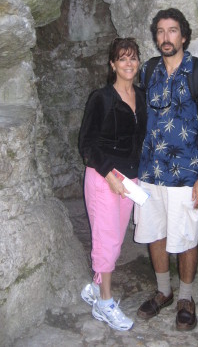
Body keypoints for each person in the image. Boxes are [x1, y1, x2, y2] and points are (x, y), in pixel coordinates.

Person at [134, 8, 198, 331]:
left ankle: (186, 296)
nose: (165, 37)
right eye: (160, 31)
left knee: (186, 236)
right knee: (154, 233)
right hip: (150, 173)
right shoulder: (147, 72)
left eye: (172, 31)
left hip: (187, 175)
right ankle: (163, 291)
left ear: (183, 36)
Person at [78, 37, 147, 331]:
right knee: (107, 239)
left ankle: (96, 286)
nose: (128, 64)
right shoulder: (101, 98)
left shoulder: (141, 97)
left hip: (129, 179)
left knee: (115, 240)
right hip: (103, 177)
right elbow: (86, 143)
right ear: (113, 65)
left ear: (138, 62)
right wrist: (110, 175)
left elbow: (140, 139)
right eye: (122, 59)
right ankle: (105, 303)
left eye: (133, 58)